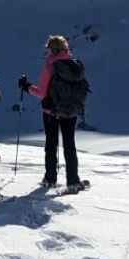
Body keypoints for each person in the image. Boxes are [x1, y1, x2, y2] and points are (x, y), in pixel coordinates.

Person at [19, 35, 87, 191]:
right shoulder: (74, 66)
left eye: (48, 48)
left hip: (51, 111)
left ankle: (50, 178)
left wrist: (27, 87)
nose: (46, 51)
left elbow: (42, 93)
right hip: (71, 111)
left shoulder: (50, 66)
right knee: (69, 144)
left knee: (51, 144)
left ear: (52, 49)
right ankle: (73, 181)